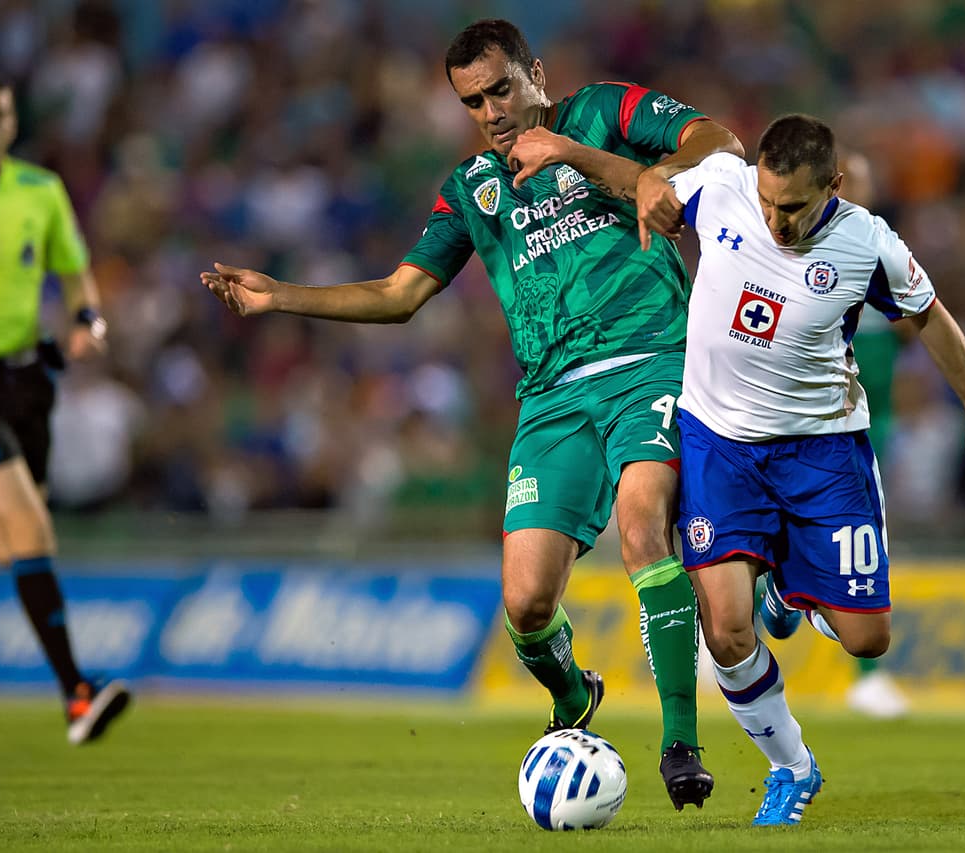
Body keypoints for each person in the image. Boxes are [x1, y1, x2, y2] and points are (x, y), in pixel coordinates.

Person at [202, 18, 743, 809]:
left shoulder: (599, 113)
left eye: (501, 89)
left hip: (651, 360)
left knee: (640, 525)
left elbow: (719, 142)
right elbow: (399, 295)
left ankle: (680, 742)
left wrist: (645, 173)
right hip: (553, 398)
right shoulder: (470, 188)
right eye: (472, 101)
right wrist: (280, 295)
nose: (490, 111)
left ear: (537, 73)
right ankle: (572, 695)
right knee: (525, 604)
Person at [667, 114, 965, 825]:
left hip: (822, 452)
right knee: (725, 628)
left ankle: (789, 595)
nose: (776, 220)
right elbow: (640, 182)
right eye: (768, 202)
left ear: (834, 186)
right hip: (718, 443)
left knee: (866, 638)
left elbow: (932, 318)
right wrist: (574, 156)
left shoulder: (867, 241)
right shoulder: (723, 185)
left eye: (792, 206)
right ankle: (792, 767)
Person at [0, 67, 130, 744]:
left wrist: (88, 322)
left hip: (26, 381)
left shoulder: (40, 192)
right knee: (29, 529)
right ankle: (77, 694)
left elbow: (75, 276)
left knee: (10, 538)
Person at [757, 149, 914, 720]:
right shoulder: (787, 257)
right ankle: (724, 628)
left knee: (863, 547)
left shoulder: (877, 252)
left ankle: (865, 674)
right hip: (787, 428)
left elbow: (919, 327)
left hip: (860, 428)